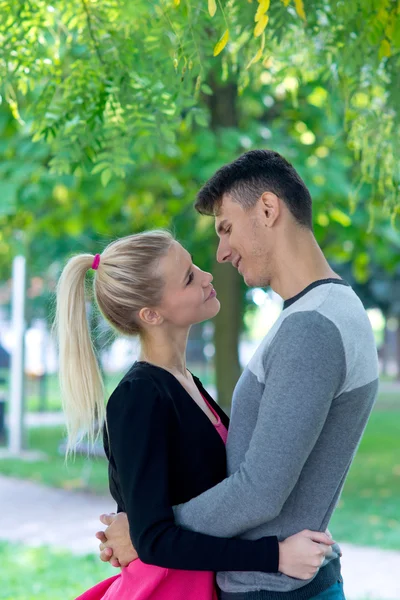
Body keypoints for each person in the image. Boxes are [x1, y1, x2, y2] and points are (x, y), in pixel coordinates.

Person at [97, 150, 379, 600]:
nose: (221, 254)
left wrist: (147, 532)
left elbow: (258, 491)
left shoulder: (311, 326)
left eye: (225, 228)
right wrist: (152, 529)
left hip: (277, 590)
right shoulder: (318, 313)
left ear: (268, 210)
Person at [55, 229, 333, 600]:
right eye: (188, 277)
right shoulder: (138, 397)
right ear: (151, 314)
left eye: (195, 266)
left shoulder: (186, 383)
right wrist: (275, 556)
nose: (207, 276)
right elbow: (154, 539)